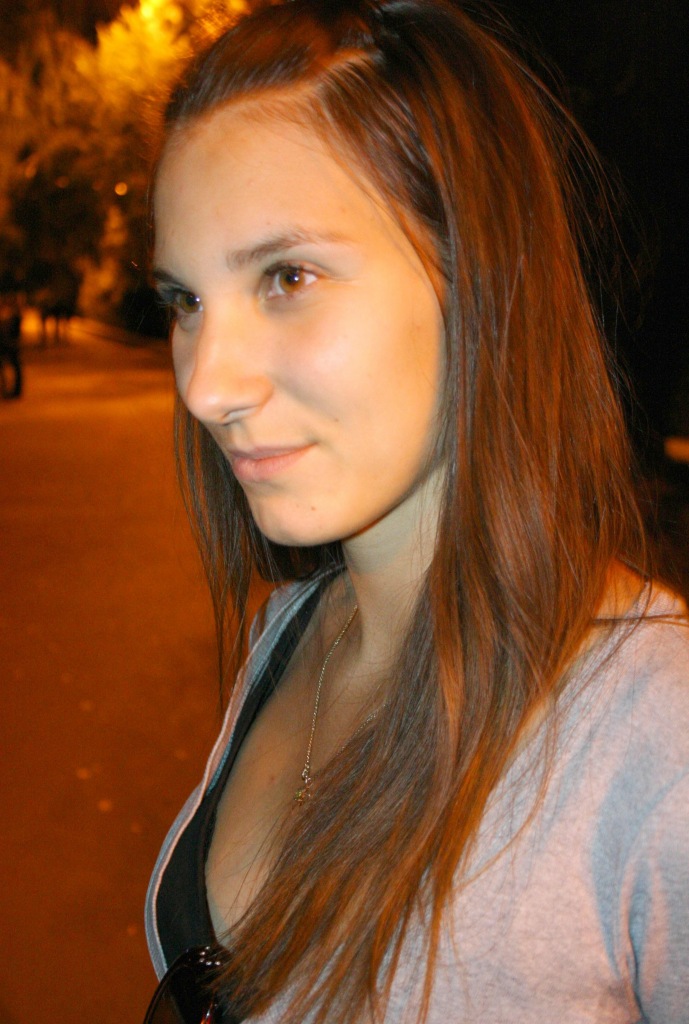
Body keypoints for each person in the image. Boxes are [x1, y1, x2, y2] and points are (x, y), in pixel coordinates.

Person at [145, 1, 689, 1021]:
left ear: (474, 275)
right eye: (185, 301)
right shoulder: (290, 631)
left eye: (287, 276)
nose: (206, 385)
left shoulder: (656, 733)